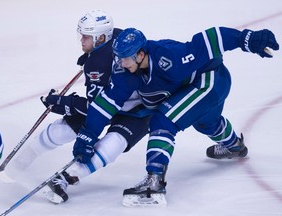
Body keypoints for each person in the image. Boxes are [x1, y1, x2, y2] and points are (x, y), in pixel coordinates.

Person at [70, 27, 279, 206]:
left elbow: (209, 39)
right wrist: (87, 134)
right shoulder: (126, 70)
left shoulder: (167, 56)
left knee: (163, 120)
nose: (121, 63)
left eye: (125, 58)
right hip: (194, 87)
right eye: (119, 57)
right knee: (207, 123)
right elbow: (106, 103)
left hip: (210, 81)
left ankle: (154, 183)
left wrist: (247, 39)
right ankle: (235, 147)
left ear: (141, 54)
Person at [8, 10, 152, 204]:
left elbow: (96, 107)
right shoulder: (114, 36)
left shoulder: (99, 63)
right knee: (62, 130)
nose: (81, 40)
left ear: (101, 37)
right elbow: (99, 105)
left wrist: (64, 103)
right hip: (110, 102)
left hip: (136, 110)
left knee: (113, 144)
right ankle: (19, 163)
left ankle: (65, 178)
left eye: (86, 36)